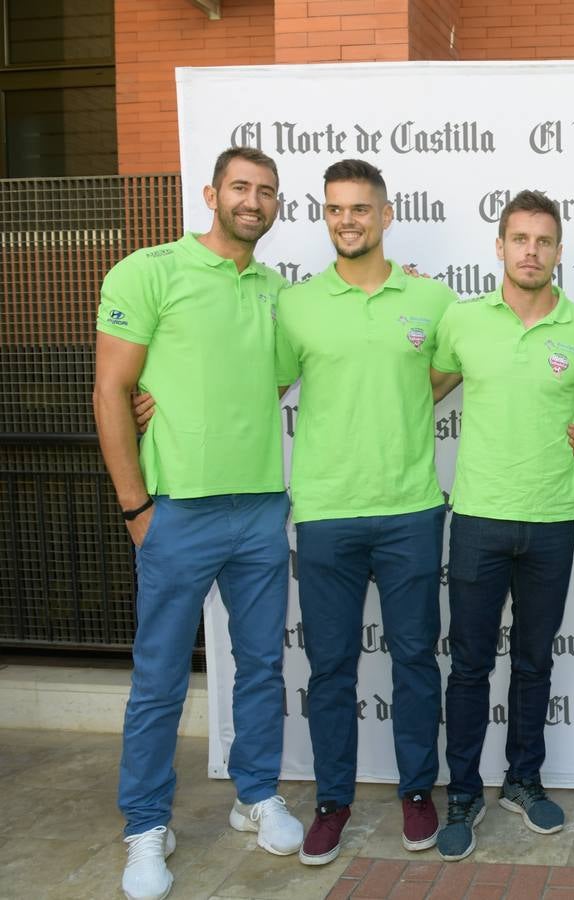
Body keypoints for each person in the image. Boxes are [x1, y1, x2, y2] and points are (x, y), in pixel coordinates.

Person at [94, 146, 303, 900]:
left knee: (261, 666)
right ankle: (147, 827)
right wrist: (137, 508)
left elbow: (271, 378)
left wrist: (179, 395)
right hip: (176, 511)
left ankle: (255, 795)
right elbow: (111, 390)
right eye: (241, 188)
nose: (253, 201)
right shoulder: (149, 271)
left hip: (258, 508)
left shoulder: (276, 289)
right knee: (157, 684)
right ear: (211, 193)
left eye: (267, 192)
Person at [272, 159, 453, 866]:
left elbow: (452, 370)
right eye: (335, 209)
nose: (347, 220)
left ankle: (416, 792)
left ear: (386, 214)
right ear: (326, 216)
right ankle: (333, 801)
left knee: (413, 660)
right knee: (330, 668)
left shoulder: (433, 301)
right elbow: (266, 383)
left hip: (410, 510)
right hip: (325, 514)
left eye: (360, 209)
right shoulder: (298, 305)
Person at [430, 190, 574, 861]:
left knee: (535, 661)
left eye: (543, 241)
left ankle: (524, 780)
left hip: (552, 521)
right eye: (519, 239)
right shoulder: (462, 321)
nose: (531, 252)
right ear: (500, 247)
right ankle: (464, 792)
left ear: (560, 251)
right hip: (477, 516)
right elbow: (416, 390)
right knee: (471, 665)